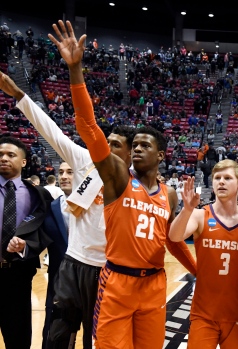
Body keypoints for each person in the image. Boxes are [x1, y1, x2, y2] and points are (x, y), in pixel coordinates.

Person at [0, 67, 196, 348]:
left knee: (100, 340)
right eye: (108, 141)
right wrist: (21, 96)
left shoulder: (142, 185)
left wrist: (196, 269)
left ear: (129, 153)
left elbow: (169, 237)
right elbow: (53, 131)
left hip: (111, 271)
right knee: (58, 335)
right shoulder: (85, 159)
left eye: (115, 144)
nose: (105, 146)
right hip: (75, 262)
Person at [48, 20, 195, 348]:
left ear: (161, 156)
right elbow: (88, 126)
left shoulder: (168, 194)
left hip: (154, 285)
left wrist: (198, 270)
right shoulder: (115, 178)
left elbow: (172, 242)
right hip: (116, 282)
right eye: (136, 144)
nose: (139, 148)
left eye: (146, 145)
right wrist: (75, 70)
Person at [169, 161, 238, 349]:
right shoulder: (200, 215)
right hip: (204, 313)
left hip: (237, 314)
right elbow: (174, 236)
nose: (221, 182)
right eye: (217, 178)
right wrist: (187, 209)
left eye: (227, 178)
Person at [0, 136, 53, 349]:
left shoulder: (39, 195)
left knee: (18, 337)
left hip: (18, 275)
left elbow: (44, 235)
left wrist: (26, 248)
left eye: (10, 155)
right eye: (0, 155)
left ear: (23, 162)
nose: (4, 158)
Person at [41, 162, 72, 349]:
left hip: (91, 282)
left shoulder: (98, 208)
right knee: (53, 337)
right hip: (58, 283)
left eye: (70, 172)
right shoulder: (50, 207)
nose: (64, 176)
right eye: (60, 172)